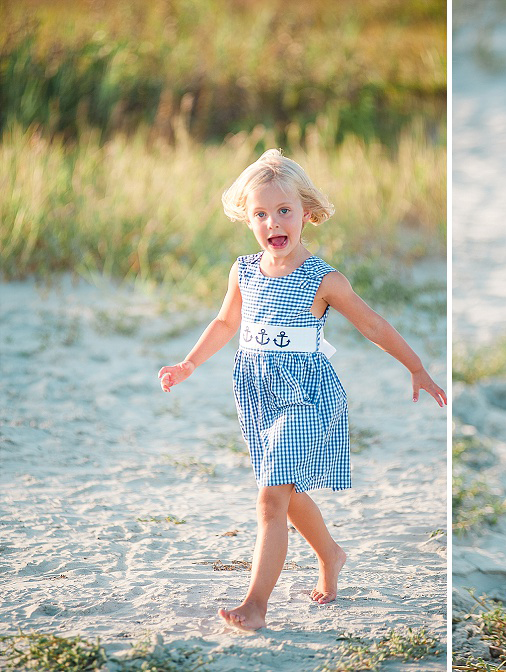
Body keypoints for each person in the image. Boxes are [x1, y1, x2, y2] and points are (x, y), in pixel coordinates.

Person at [158, 149, 446, 631]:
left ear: (307, 212)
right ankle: (331, 553)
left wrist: (416, 367)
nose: (274, 221)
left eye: (285, 210)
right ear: (248, 219)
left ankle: (256, 603)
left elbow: (373, 324)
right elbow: (226, 321)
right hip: (257, 393)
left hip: (307, 396)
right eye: (261, 213)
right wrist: (189, 363)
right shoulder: (243, 271)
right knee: (286, 494)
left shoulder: (322, 279)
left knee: (270, 497)